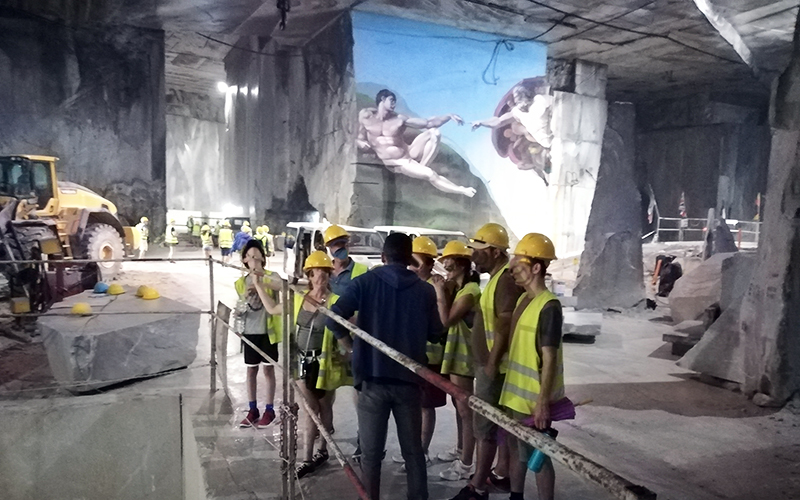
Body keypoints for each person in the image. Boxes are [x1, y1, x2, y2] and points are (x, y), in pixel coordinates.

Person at [327, 233, 443, 500]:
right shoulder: (425, 290)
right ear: (409, 258)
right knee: (414, 453)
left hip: (372, 380)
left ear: (383, 256)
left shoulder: (364, 283)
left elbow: (333, 318)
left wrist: (351, 347)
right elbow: (437, 332)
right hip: (409, 384)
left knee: (370, 455)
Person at [255, 251, 347, 478]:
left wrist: (349, 353)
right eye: (316, 273)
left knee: (325, 407)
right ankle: (307, 458)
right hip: (300, 362)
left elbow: (349, 326)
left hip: (324, 363)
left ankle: (323, 450)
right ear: (309, 274)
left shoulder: (336, 302)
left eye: (325, 273)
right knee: (311, 408)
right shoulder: (298, 298)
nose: (320, 278)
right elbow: (273, 309)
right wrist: (258, 284)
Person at [451, 223, 524, 500]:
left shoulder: (504, 279)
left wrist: (492, 363)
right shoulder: (495, 278)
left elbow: (505, 324)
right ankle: (500, 474)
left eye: (478, 250)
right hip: (490, 365)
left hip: (495, 367)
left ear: (493, 251)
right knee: (497, 426)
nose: (472, 255)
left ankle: (477, 486)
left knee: (485, 429)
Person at [502, 233, 563, 500]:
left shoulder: (549, 306)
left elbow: (549, 358)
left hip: (533, 399)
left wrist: (542, 402)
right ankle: (516, 495)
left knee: (539, 458)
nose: (514, 269)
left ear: (536, 267)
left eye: (520, 263)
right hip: (516, 396)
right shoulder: (524, 301)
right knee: (518, 450)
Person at [357, 89, 477, 198]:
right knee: (431, 174)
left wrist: (448, 116)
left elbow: (428, 123)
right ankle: (462, 190)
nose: (394, 104)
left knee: (434, 132)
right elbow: (359, 137)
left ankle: (424, 167)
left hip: (409, 152)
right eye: (391, 100)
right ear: (382, 99)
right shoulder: (366, 116)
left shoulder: (399, 119)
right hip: (398, 163)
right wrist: (359, 142)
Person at [393, 236, 446, 469]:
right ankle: (413, 451)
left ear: (427, 263)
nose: (410, 265)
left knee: (426, 406)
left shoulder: (434, 288)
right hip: (411, 354)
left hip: (431, 356)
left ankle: (421, 452)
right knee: (412, 406)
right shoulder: (410, 287)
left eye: (414, 260)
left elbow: (441, 325)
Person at [434, 240, 481, 482]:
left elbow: (447, 321)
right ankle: (462, 450)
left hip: (464, 359)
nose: (446, 266)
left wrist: (440, 292)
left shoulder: (471, 292)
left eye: (450, 263)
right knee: (459, 407)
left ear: (462, 264)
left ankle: (466, 464)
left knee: (465, 410)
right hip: (456, 356)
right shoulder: (463, 290)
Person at [235, 239, 283, 429]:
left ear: (263, 258)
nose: (254, 260)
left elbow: (281, 286)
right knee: (251, 369)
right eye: (250, 257)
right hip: (250, 331)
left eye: (257, 256)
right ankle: (252, 409)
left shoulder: (272, 276)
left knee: (268, 370)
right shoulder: (240, 283)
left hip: (267, 332)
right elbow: (240, 306)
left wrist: (261, 282)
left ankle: (269, 410)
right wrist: (240, 307)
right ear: (245, 260)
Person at [471, 84, 553, 185]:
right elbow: (498, 121)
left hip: (556, 133)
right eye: (516, 98)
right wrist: (482, 123)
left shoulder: (539, 100)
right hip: (548, 143)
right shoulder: (517, 113)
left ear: (526, 95)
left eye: (519, 96)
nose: (518, 100)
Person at [324, 225, 369, 297]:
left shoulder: (363, 271)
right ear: (330, 248)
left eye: (343, 244)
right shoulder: (325, 271)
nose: (341, 249)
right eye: (336, 245)